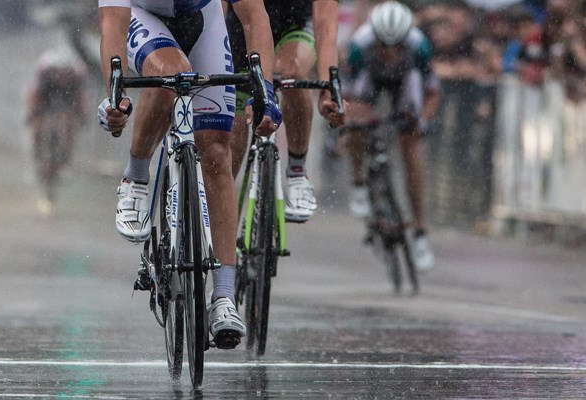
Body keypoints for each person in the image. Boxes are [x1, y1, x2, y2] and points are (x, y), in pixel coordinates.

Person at [96, 0, 282, 349]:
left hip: (203, 16)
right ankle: (136, 175)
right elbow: (112, 25)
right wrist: (115, 96)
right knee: (172, 73)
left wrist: (265, 92)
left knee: (215, 149)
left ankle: (224, 295)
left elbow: (255, 16)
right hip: (143, 14)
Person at [224, 0, 346, 223]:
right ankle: (215, 221)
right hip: (243, 27)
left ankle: (297, 171)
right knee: (229, 138)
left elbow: (325, 25)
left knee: (292, 72)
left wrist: (327, 88)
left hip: (295, 24)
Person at [341, 1, 440, 271]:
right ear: (374, 36)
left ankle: (420, 232)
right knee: (357, 123)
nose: (389, 51)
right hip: (369, 80)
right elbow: (347, 96)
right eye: (383, 44)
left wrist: (421, 122)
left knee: (411, 147)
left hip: (405, 82)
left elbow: (432, 93)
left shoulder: (419, 47)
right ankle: (359, 181)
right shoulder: (360, 46)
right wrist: (353, 118)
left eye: (396, 45)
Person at [26, 48, 87, 214]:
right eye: (58, 74)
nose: (61, 77)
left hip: (68, 100)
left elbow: (81, 99)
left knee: (69, 123)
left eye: (64, 74)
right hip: (45, 98)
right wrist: (32, 115)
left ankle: (65, 162)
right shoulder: (44, 72)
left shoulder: (77, 74)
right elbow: (34, 94)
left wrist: (81, 117)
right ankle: (37, 158)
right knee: (37, 125)